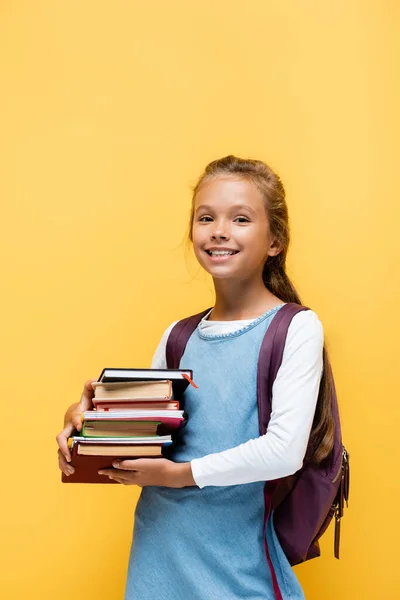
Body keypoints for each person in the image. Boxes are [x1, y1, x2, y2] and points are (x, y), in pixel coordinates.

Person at [57, 155, 331, 600]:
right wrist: (83, 422)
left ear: (275, 239)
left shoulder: (296, 327)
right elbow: (141, 430)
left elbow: (283, 452)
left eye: (240, 218)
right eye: (206, 217)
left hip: (238, 561)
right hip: (158, 555)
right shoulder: (177, 336)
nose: (219, 230)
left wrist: (177, 475)